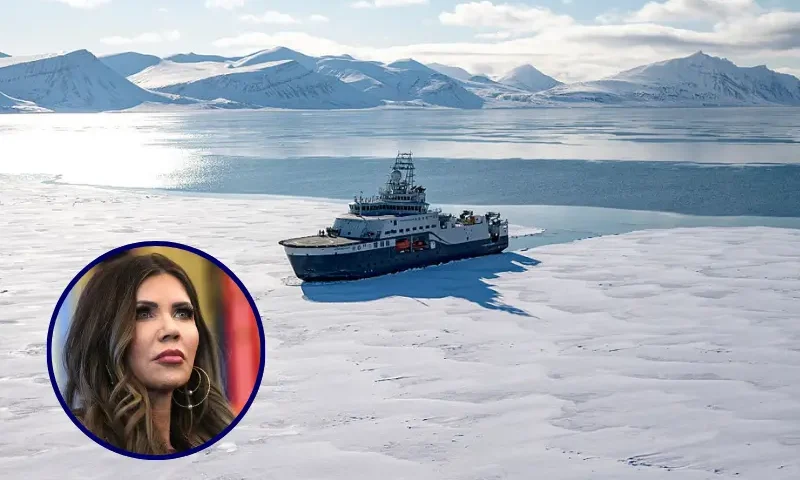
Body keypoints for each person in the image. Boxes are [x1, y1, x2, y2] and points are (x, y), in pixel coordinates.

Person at [62, 251, 235, 455]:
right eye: (143, 313)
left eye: (183, 313)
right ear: (103, 334)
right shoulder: (76, 446)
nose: (171, 329)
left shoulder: (220, 441)